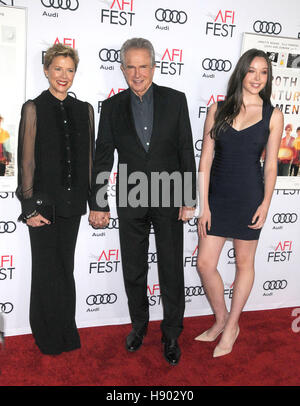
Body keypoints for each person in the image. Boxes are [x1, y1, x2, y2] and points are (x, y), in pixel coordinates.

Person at [89, 38, 196, 366]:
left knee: (171, 269)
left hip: (168, 194)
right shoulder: (112, 107)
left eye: (143, 66)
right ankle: (139, 325)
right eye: (131, 67)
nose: (137, 73)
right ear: (122, 69)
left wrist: (188, 197)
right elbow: (103, 156)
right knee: (135, 267)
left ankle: (172, 332)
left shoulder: (176, 100)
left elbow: (184, 150)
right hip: (132, 197)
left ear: (154, 66)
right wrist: (98, 203)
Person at [196, 49, 283, 357]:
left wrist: (266, 203)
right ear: (241, 73)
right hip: (217, 197)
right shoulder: (217, 109)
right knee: (205, 263)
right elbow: (205, 159)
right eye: (252, 71)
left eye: (263, 72)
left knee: (244, 264)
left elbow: (271, 165)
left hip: (249, 196)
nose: (258, 78)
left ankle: (232, 325)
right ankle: (221, 319)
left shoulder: (273, 115)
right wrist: (203, 205)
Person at [16, 44, 95, 355]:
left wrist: (96, 202)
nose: (64, 76)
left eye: (70, 70)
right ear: (46, 70)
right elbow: (26, 163)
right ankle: (46, 334)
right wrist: (28, 207)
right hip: (43, 204)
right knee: (45, 269)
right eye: (58, 69)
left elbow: (89, 162)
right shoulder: (33, 108)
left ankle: (66, 330)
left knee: (65, 268)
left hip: (73, 204)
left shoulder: (84, 110)